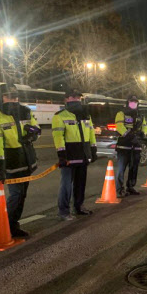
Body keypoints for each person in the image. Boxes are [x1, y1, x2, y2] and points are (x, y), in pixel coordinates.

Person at [0, 83, 40, 238]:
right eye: (9, 96)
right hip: (12, 164)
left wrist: (32, 134)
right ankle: (4, 226)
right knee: (16, 195)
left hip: (27, 162)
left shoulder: (25, 112)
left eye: (15, 96)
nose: (13, 99)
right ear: (2, 98)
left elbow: (36, 129)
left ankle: (13, 225)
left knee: (22, 195)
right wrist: (0, 169)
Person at [52, 89, 97, 221]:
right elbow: (58, 137)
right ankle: (64, 211)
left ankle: (79, 206)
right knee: (66, 185)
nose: (76, 99)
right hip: (69, 157)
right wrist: (61, 155)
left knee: (80, 183)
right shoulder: (59, 116)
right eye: (73, 97)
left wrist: (93, 150)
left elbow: (91, 133)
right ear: (66, 99)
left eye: (78, 97)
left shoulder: (86, 115)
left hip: (83, 155)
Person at [115, 95, 147, 197]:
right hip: (124, 145)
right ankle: (120, 190)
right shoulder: (121, 113)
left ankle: (131, 186)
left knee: (134, 168)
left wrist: (143, 134)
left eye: (135, 101)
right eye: (131, 101)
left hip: (136, 145)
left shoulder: (140, 115)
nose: (133, 103)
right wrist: (128, 136)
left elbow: (145, 127)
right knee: (121, 169)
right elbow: (119, 126)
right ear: (128, 102)